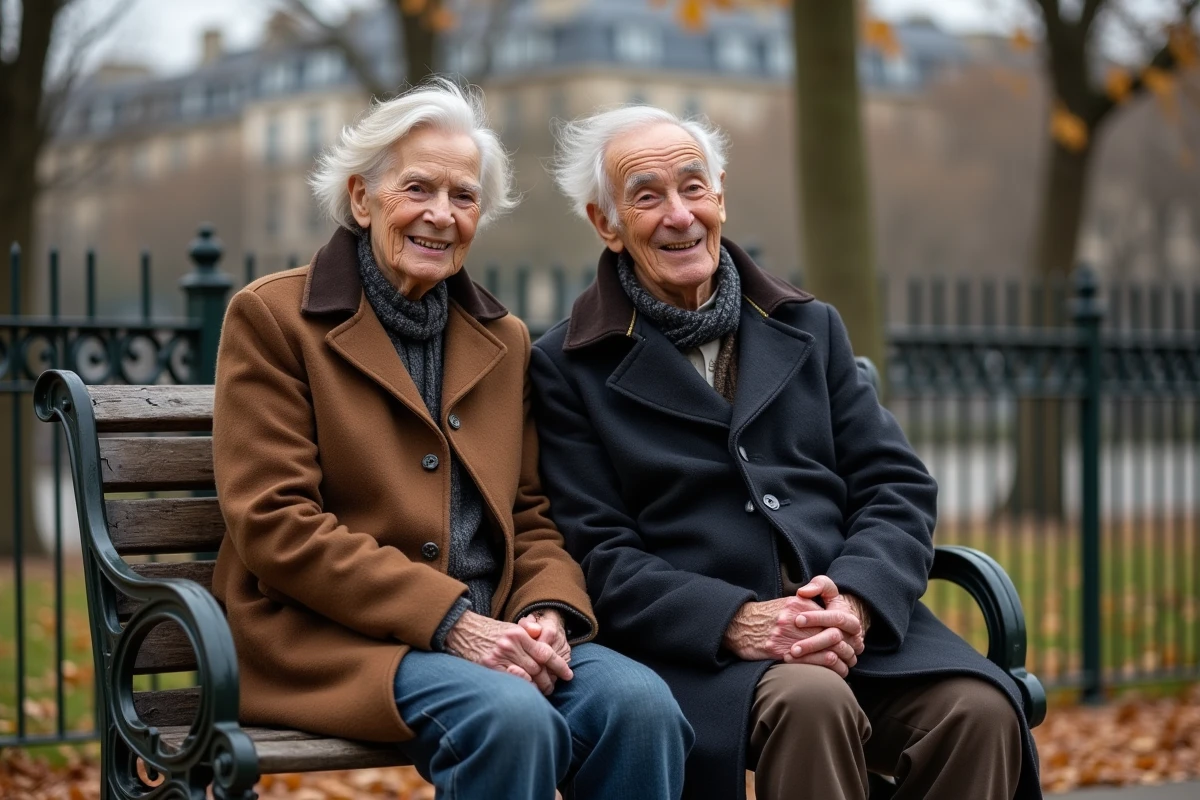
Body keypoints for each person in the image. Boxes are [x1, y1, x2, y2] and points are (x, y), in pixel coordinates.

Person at [529, 105, 1040, 800]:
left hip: (855, 634)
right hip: (702, 653)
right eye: (646, 196)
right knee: (810, 702)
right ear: (605, 224)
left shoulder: (808, 325)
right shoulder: (565, 365)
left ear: (722, 197)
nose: (679, 215)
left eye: (694, 187)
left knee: (979, 711)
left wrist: (857, 599)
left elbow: (895, 485)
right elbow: (598, 552)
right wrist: (739, 621)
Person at [210, 82, 692, 800]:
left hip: (493, 630)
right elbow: (276, 525)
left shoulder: (502, 340)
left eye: (464, 197)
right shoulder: (275, 318)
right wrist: (450, 621)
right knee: (510, 718)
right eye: (417, 188)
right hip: (330, 640)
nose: (441, 214)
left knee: (640, 706)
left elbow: (531, 514)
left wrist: (546, 609)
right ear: (363, 198)